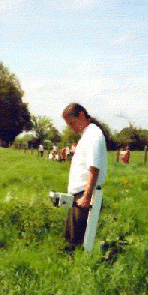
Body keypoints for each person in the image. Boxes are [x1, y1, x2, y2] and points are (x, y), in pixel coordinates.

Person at [61, 103, 108, 249]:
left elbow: (94, 168)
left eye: (71, 123)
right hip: (79, 194)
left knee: (77, 240)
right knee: (71, 236)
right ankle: (73, 264)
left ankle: (78, 266)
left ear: (81, 115)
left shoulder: (93, 135)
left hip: (83, 194)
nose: (70, 127)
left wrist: (87, 196)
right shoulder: (87, 135)